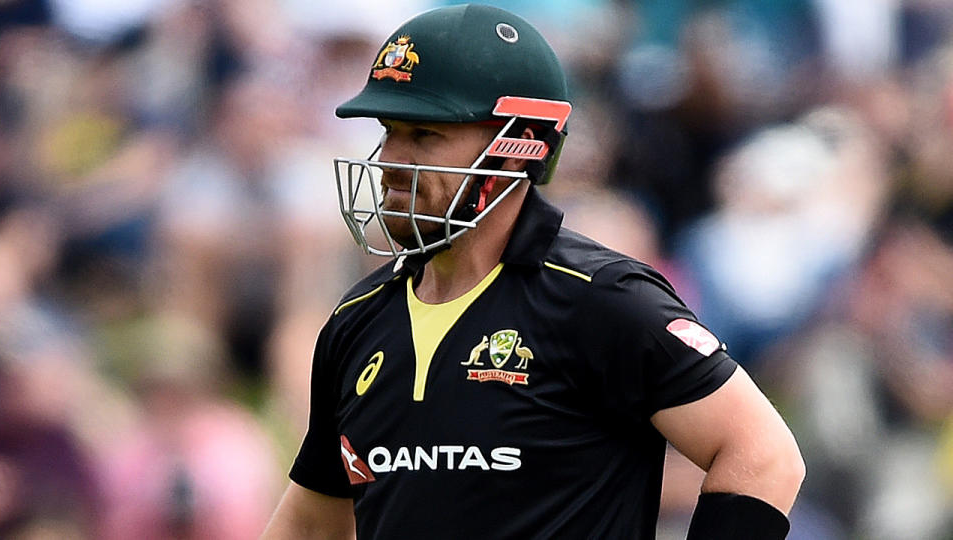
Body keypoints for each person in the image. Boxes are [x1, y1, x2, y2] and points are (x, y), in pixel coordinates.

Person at [263, 4, 804, 539]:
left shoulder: (601, 300)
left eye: (424, 135)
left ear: (517, 146)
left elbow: (763, 455)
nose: (389, 160)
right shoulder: (357, 321)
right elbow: (312, 523)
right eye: (390, 130)